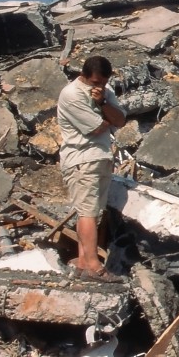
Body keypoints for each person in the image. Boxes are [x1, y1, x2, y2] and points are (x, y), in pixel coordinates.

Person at [57, 56, 127, 283]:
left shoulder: (104, 94)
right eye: (95, 82)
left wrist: (103, 103)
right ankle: (94, 266)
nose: (99, 87)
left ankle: (82, 261)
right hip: (82, 159)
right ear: (84, 77)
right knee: (87, 211)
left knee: (92, 212)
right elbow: (97, 127)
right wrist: (104, 112)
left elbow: (120, 120)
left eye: (103, 83)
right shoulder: (72, 94)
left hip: (101, 157)